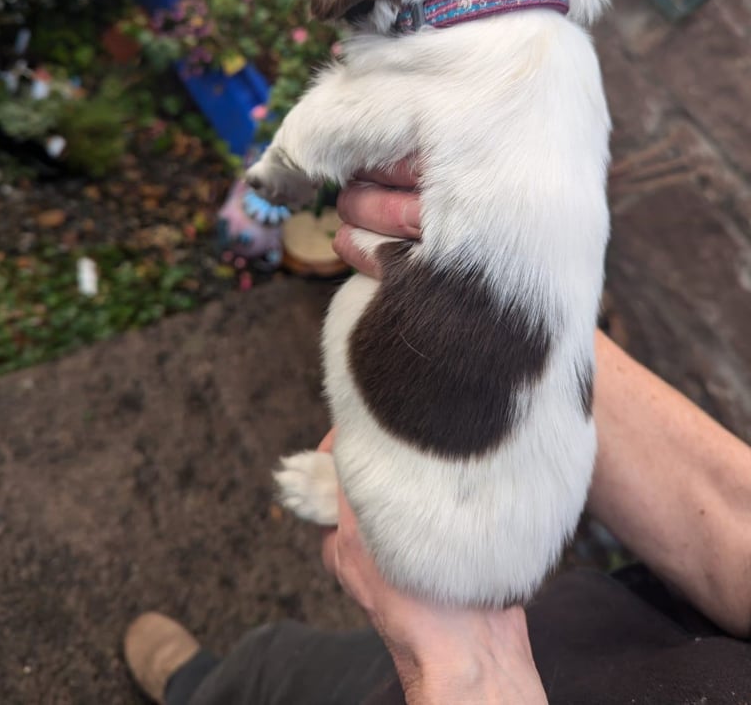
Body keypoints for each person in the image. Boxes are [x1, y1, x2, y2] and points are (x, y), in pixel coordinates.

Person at [124, 165, 751, 704]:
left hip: (470, 669)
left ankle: (197, 687)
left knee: (279, 672)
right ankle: (214, 684)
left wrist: (467, 663)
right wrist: (518, 318)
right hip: (602, 634)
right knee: (279, 660)